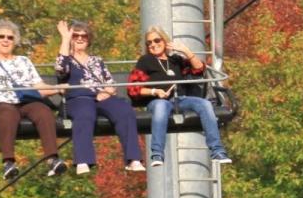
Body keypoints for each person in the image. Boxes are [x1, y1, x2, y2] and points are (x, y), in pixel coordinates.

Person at [0, 20, 67, 180]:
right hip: (1, 103)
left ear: (15, 41)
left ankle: (52, 158)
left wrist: (58, 88)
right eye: (2, 36)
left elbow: (38, 85)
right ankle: (8, 162)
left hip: (25, 100)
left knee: (43, 110)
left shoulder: (24, 61)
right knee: (8, 113)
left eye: (10, 37)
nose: (5, 40)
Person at [128, 27, 231, 166]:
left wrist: (186, 51)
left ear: (165, 41)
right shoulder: (145, 61)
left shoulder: (176, 60)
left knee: (205, 104)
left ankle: (217, 151)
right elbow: (133, 88)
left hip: (180, 99)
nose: (153, 44)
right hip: (158, 101)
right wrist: (155, 91)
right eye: (149, 43)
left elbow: (198, 70)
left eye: (157, 40)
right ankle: (157, 154)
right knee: (160, 107)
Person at [55, 20, 145, 175]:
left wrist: (107, 92)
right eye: (76, 35)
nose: (80, 38)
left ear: (89, 39)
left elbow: (110, 84)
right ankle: (83, 160)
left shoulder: (97, 61)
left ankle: (133, 159)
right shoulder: (67, 59)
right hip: (78, 98)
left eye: (84, 36)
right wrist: (65, 38)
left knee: (124, 110)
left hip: (101, 97)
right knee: (85, 112)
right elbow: (60, 69)